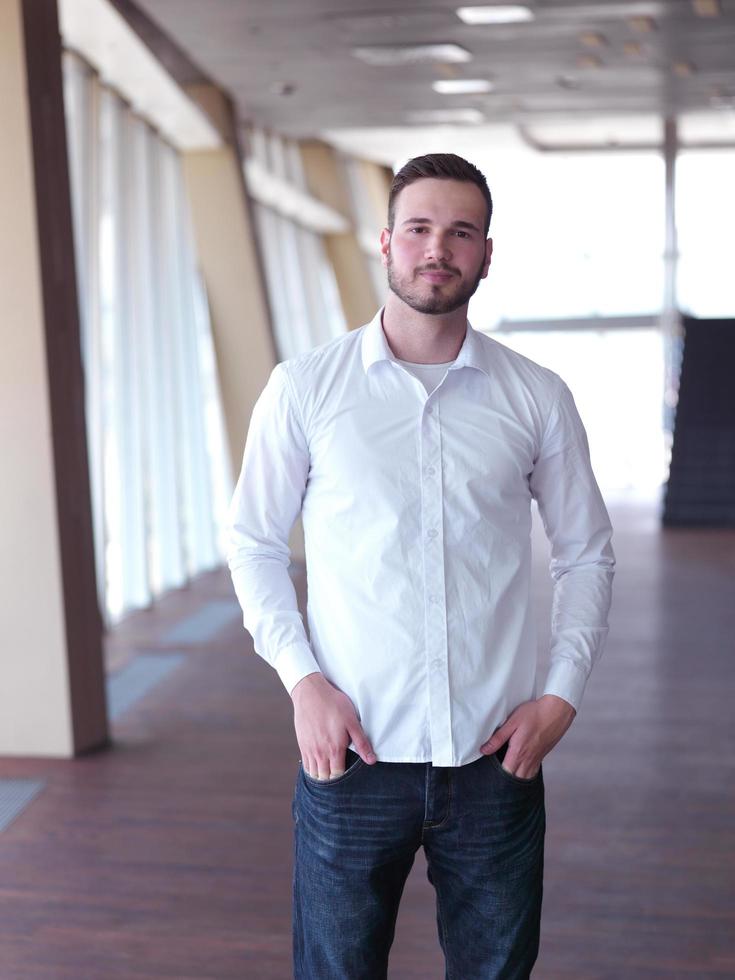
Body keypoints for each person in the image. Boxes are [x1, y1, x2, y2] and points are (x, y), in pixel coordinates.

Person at [226, 153, 615, 979]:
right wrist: (302, 682)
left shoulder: (535, 395)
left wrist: (562, 695)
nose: (437, 248)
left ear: (484, 253)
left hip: (496, 757)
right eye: (419, 228)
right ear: (385, 243)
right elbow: (253, 541)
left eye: (460, 232)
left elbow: (585, 551)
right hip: (350, 754)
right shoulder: (305, 389)